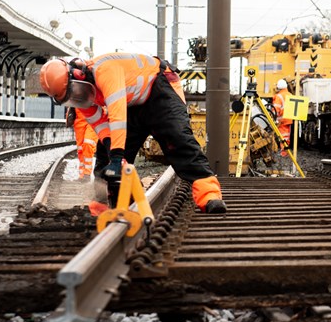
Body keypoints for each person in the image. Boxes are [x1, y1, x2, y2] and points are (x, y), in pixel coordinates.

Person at [39, 53, 226, 214]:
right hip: (134, 102)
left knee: (177, 139)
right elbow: (103, 128)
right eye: (68, 98)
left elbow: (117, 115)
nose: (75, 97)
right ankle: (111, 205)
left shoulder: (105, 70)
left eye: (72, 92)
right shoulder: (83, 99)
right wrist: (114, 155)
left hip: (158, 87)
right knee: (105, 155)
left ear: (79, 75)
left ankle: (209, 195)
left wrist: (118, 155)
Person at [66, 107, 98, 178]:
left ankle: (87, 172)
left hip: (93, 120)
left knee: (88, 143)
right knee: (80, 149)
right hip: (79, 121)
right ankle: (82, 174)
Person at [271, 78, 293, 155]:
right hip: (289, 119)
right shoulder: (290, 95)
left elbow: (276, 109)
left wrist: (273, 118)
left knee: (282, 136)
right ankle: (285, 151)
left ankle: (283, 152)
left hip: (281, 120)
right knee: (287, 136)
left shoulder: (279, 96)